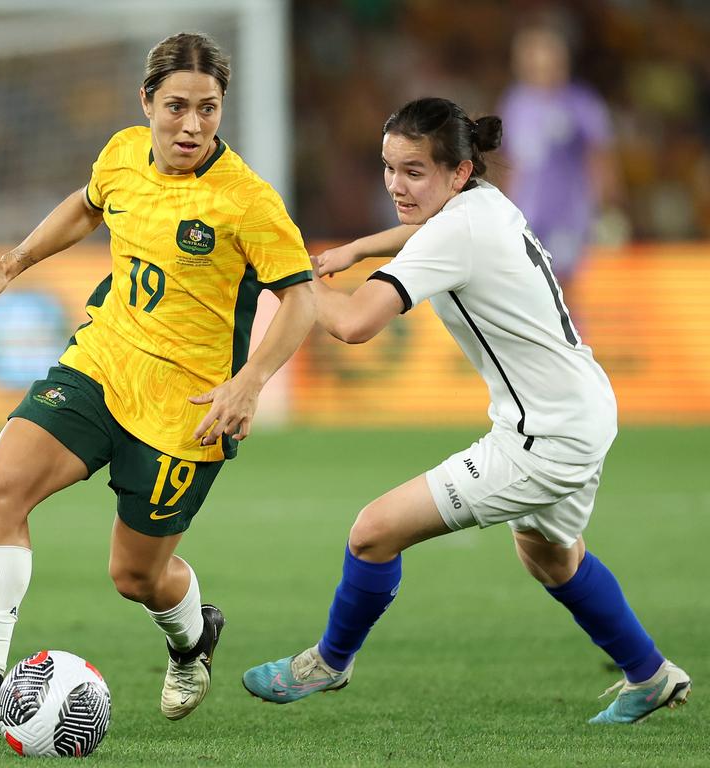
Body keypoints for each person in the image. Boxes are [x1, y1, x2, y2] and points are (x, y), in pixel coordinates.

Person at [0, 32, 315, 731]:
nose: (191, 125)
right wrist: (13, 262)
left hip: (186, 408)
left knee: (136, 578)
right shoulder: (123, 152)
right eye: (177, 106)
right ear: (147, 101)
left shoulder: (246, 201)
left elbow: (301, 298)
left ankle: (193, 639)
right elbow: (90, 205)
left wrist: (250, 382)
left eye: (209, 110)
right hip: (102, 361)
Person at [242, 97, 690, 725]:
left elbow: (351, 324)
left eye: (415, 172)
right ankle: (651, 674)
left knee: (372, 533)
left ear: (457, 172)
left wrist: (288, 270)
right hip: (582, 406)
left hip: (545, 436)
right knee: (550, 556)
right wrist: (355, 251)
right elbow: (423, 230)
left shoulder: (456, 230)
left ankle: (328, 663)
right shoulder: (483, 202)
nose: (397, 185)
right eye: (388, 168)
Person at [498, 22, 619, 313]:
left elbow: (600, 159)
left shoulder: (581, 103)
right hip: (525, 216)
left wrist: (608, 208)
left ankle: (575, 349)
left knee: (565, 292)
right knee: (527, 291)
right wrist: (501, 209)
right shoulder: (514, 103)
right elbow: (508, 162)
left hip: (568, 216)